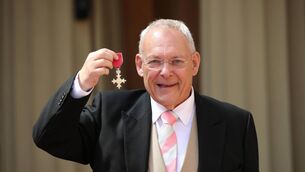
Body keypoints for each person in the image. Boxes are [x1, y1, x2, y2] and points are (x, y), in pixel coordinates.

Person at [33, 19, 259, 172]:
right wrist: (81, 84)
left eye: (176, 61)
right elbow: (49, 137)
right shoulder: (108, 114)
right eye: (155, 62)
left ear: (195, 63)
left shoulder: (236, 124)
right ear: (140, 65)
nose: (165, 72)